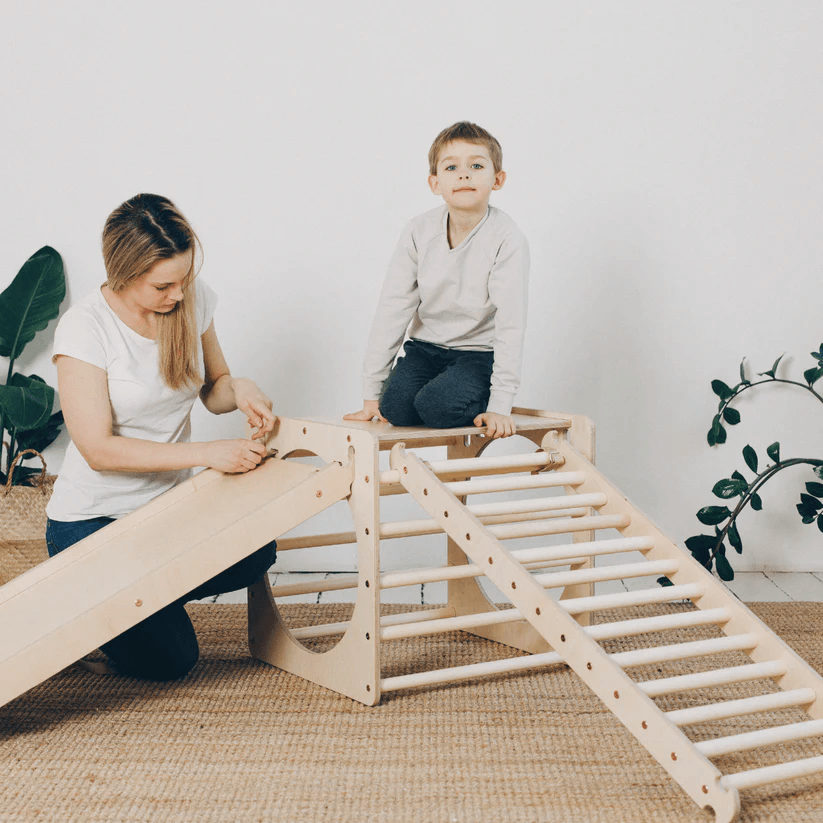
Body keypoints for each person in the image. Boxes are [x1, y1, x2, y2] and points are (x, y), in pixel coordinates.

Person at [45, 193, 277, 681]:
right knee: (171, 660)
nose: (178, 294)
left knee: (258, 551)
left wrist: (243, 390)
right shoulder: (85, 329)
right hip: (91, 522)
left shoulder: (191, 298)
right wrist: (208, 454)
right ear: (124, 273)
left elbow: (215, 389)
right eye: (163, 285)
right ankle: (101, 603)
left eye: (185, 279)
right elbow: (98, 450)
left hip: (165, 516)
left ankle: (129, 599)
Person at [345, 121, 529, 439]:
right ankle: (429, 391)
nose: (464, 174)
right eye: (452, 167)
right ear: (435, 182)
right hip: (425, 350)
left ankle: (476, 392)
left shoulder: (506, 238)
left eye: (476, 165)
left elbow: (511, 323)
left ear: (497, 179)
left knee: (437, 408)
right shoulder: (419, 230)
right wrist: (371, 393)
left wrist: (501, 404)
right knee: (396, 410)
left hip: (477, 354)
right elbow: (393, 307)